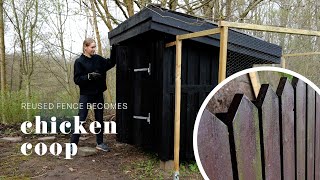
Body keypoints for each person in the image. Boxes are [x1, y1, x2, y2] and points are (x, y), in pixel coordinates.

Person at [71, 38, 116, 152]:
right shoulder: (79, 61)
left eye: (95, 47)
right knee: (81, 119)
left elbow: (110, 63)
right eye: (92, 47)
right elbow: (77, 79)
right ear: (85, 47)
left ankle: (100, 143)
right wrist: (89, 76)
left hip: (98, 94)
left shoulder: (98, 59)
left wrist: (114, 50)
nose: (94, 49)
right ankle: (72, 145)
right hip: (86, 95)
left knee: (99, 119)